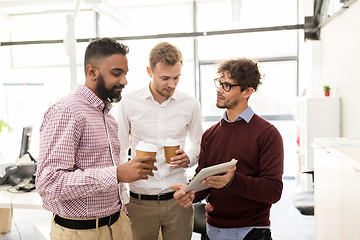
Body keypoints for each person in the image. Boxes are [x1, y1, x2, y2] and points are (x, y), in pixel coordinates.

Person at [35, 37, 157, 240]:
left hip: (118, 225)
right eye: (117, 73)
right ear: (92, 72)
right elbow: (48, 183)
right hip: (81, 232)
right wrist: (116, 174)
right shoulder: (67, 111)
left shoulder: (107, 116)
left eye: (125, 74)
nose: (124, 81)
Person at [172, 58, 284, 240]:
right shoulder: (210, 135)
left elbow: (273, 191)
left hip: (252, 232)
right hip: (213, 230)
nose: (219, 89)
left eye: (227, 85)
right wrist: (190, 191)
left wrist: (232, 180)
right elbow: (204, 182)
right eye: (219, 83)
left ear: (248, 91)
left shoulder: (267, 134)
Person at [117, 41, 203, 240]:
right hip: (140, 202)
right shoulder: (129, 103)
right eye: (165, 78)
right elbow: (119, 151)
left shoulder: (190, 104)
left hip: (178, 200)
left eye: (176, 77)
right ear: (149, 71)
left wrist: (188, 158)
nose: (171, 84)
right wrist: (123, 197)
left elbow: (198, 145)